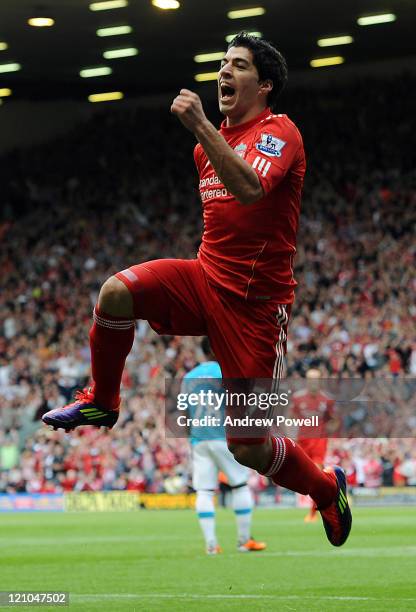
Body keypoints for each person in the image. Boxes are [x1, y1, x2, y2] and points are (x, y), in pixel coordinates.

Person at [43, 32, 351, 546]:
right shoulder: (203, 148)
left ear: (265, 84)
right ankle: (103, 399)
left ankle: (325, 491)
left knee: (247, 447)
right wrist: (208, 134)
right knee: (114, 292)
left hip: (255, 309)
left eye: (238, 65)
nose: (223, 72)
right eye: (222, 63)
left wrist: (204, 127)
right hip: (205, 277)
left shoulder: (281, 131)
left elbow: (251, 190)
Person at [184, 338, 266, 554]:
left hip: (199, 439)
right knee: (239, 485)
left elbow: (183, 413)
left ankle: (211, 544)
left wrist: (191, 439)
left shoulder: (188, 377)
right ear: (215, 348)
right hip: (224, 436)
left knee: (204, 490)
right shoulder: (226, 372)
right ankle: (244, 540)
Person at [292, 368, 337, 522]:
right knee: (304, 478)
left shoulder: (326, 400)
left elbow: (333, 420)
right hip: (302, 442)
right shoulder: (297, 399)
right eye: (310, 378)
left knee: (316, 477)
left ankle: (313, 513)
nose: (313, 381)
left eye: (316, 378)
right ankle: (327, 502)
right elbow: (289, 417)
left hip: (319, 442)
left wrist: (328, 432)